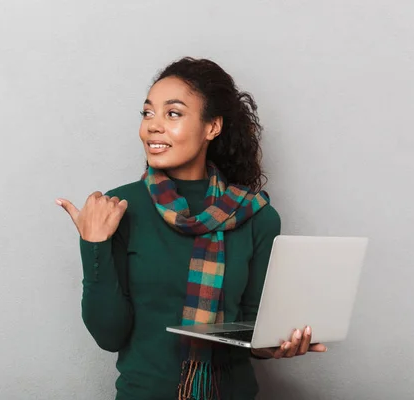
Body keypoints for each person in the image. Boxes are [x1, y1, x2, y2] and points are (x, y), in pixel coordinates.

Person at [57, 57, 327, 400]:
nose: (152, 126)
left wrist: (274, 346)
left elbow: (250, 330)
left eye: (173, 113)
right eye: (147, 112)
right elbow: (108, 336)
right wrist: (93, 243)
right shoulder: (119, 208)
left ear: (212, 127)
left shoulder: (257, 217)